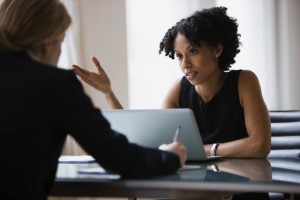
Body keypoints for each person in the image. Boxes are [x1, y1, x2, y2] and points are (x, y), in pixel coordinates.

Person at [0, 0, 187, 199]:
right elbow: (118, 157)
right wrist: (170, 157)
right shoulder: (54, 84)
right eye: (61, 41)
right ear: (47, 44)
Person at [72, 7, 271, 159]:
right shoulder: (179, 89)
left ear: (217, 49)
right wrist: (108, 93)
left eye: (193, 51)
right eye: (178, 56)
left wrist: (203, 150)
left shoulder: (244, 81)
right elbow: (146, 141)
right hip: (199, 189)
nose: (185, 64)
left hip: (242, 188)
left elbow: (260, 145)